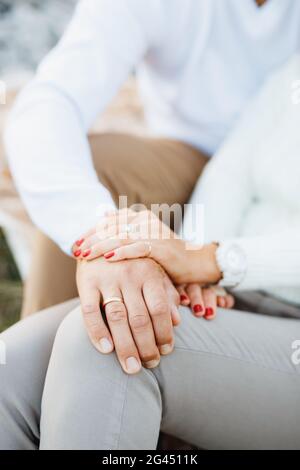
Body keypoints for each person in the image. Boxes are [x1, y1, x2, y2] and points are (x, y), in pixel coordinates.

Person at [0, 53, 300, 450]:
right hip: (233, 294)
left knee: (113, 344)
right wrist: (193, 271)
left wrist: (217, 261)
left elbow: (217, 257)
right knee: (10, 364)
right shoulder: (289, 72)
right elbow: (228, 176)